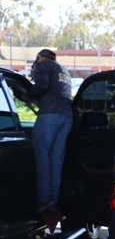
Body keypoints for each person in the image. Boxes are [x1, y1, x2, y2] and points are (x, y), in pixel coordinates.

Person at [22, 49, 73, 214]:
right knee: (56, 159)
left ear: (40, 57)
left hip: (50, 115)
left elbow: (42, 85)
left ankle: (43, 198)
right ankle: (53, 200)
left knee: (42, 156)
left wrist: (27, 96)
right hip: (66, 117)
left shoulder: (43, 64)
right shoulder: (63, 70)